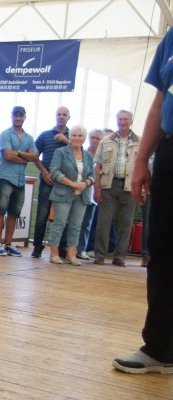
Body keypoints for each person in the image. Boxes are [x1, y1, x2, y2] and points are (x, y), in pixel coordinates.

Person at [112, 26, 173, 374]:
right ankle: (160, 349)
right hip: (170, 152)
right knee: (162, 250)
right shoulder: (171, 39)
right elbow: (160, 102)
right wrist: (141, 161)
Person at [93, 110, 139, 267]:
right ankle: (100, 254)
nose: (123, 121)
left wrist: (142, 189)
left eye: (126, 119)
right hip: (109, 184)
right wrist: (96, 188)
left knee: (125, 223)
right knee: (103, 221)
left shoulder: (139, 141)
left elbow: (143, 166)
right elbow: (97, 165)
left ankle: (119, 256)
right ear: (116, 121)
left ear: (131, 121)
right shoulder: (106, 141)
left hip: (130, 186)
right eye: (120, 119)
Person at [0, 106, 38, 257]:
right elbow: (7, 156)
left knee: (14, 213)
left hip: (20, 180)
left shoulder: (29, 138)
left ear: (25, 117)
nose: (18, 118)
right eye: (15, 116)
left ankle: (8, 243)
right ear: (11, 117)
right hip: (5, 177)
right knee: (0, 210)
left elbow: (35, 157)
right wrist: (25, 157)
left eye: (21, 116)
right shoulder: (5, 134)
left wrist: (18, 153)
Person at [46, 125, 95, 265]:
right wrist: (72, 184)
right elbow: (54, 172)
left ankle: (71, 255)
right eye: (74, 135)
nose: (76, 138)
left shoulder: (89, 156)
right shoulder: (60, 152)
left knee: (76, 225)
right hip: (62, 193)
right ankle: (54, 254)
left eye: (80, 136)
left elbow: (92, 174)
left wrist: (86, 183)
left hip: (82, 195)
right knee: (59, 223)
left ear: (84, 139)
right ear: (69, 137)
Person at [30, 107, 71, 259]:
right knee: (42, 215)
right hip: (47, 181)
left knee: (63, 217)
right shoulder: (45, 135)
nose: (61, 117)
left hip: (65, 183)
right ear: (55, 117)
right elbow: (34, 155)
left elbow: (80, 154)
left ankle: (61, 249)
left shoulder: (73, 137)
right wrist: (44, 172)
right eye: (59, 114)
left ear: (69, 117)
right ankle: (37, 247)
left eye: (64, 115)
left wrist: (67, 141)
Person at [75, 129, 104, 260]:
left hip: (93, 193)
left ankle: (82, 249)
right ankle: (70, 248)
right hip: (79, 190)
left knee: (87, 223)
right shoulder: (82, 154)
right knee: (75, 222)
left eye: (98, 138)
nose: (94, 140)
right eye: (92, 137)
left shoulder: (103, 156)